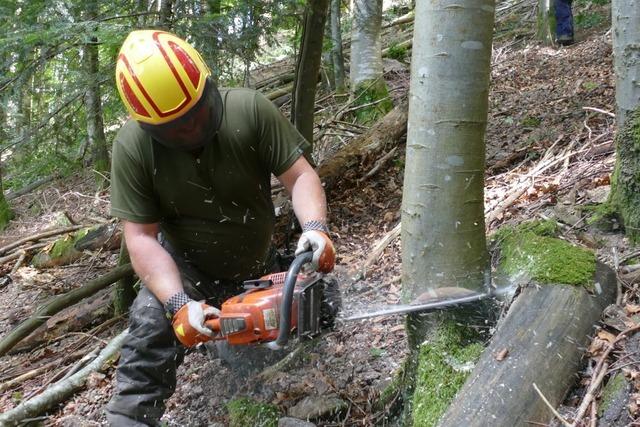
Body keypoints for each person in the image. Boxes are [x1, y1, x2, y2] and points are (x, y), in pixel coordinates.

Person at [105, 30, 335, 426]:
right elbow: (140, 237)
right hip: (187, 271)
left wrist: (315, 228)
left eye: (197, 113)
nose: (191, 129)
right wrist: (177, 304)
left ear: (207, 85)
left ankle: (250, 357)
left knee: (320, 303)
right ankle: (130, 419)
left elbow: (299, 177)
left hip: (257, 263)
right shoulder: (133, 148)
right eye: (175, 126)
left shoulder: (248, 110)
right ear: (147, 125)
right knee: (148, 328)